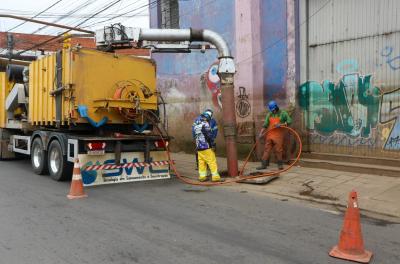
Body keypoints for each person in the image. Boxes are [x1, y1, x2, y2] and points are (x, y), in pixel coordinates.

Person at [257, 100, 292, 170]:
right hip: (270, 135)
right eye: (271, 110)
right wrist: (261, 133)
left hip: (278, 135)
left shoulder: (283, 113)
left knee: (278, 150)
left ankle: (280, 164)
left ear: (276, 107)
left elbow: (289, 121)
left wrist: (281, 124)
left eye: (273, 110)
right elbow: (265, 125)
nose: (273, 111)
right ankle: (263, 164)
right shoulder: (269, 114)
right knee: (267, 149)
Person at [192, 111, 221, 182]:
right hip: (206, 147)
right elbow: (209, 136)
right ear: (208, 118)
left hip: (199, 147)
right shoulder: (206, 124)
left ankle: (202, 177)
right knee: (212, 161)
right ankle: (215, 177)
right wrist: (212, 144)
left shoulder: (196, 125)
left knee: (201, 162)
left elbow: (194, 135)